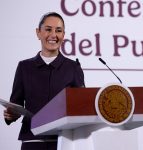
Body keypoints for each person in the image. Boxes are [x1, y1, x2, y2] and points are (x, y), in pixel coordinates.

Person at [3, 12, 85, 150]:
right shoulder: (24, 67)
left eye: (58, 31)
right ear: (38, 33)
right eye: (48, 29)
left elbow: (82, 106)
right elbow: (15, 104)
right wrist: (10, 115)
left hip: (63, 141)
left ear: (63, 35)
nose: (53, 35)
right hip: (32, 141)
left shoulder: (73, 68)